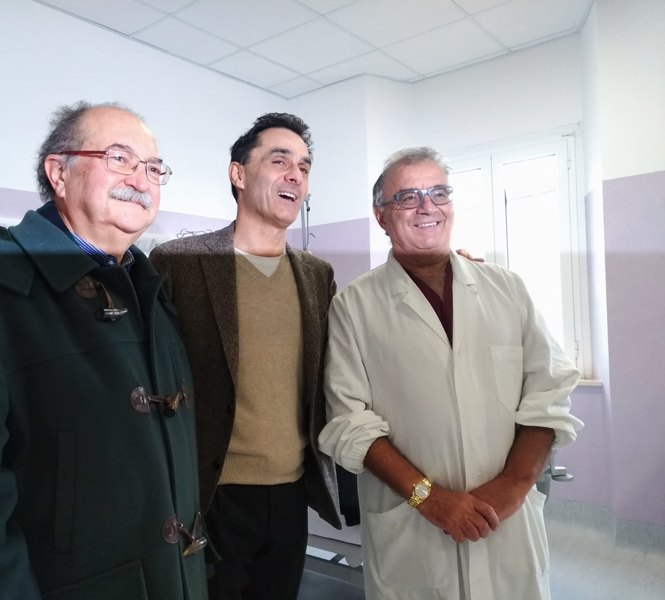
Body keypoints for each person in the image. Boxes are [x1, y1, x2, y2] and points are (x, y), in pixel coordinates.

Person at [0, 102, 209, 600]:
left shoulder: (151, 294)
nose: (141, 180)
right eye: (119, 158)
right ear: (59, 172)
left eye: (154, 168)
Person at [318, 147, 583, 600]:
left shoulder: (508, 289)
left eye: (439, 193)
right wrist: (428, 498)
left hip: (506, 524)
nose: (427, 207)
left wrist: (514, 485)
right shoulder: (353, 306)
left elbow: (549, 392)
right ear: (382, 217)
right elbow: (348, 421)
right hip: (412, 529)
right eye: (408, 197)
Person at [149, 113, 341, 600]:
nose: (295, 175)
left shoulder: (316, 275)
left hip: (292, 491)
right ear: (238, 173)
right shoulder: (181, 262)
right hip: (212, 492)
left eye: (304, 166)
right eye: (280, 161)